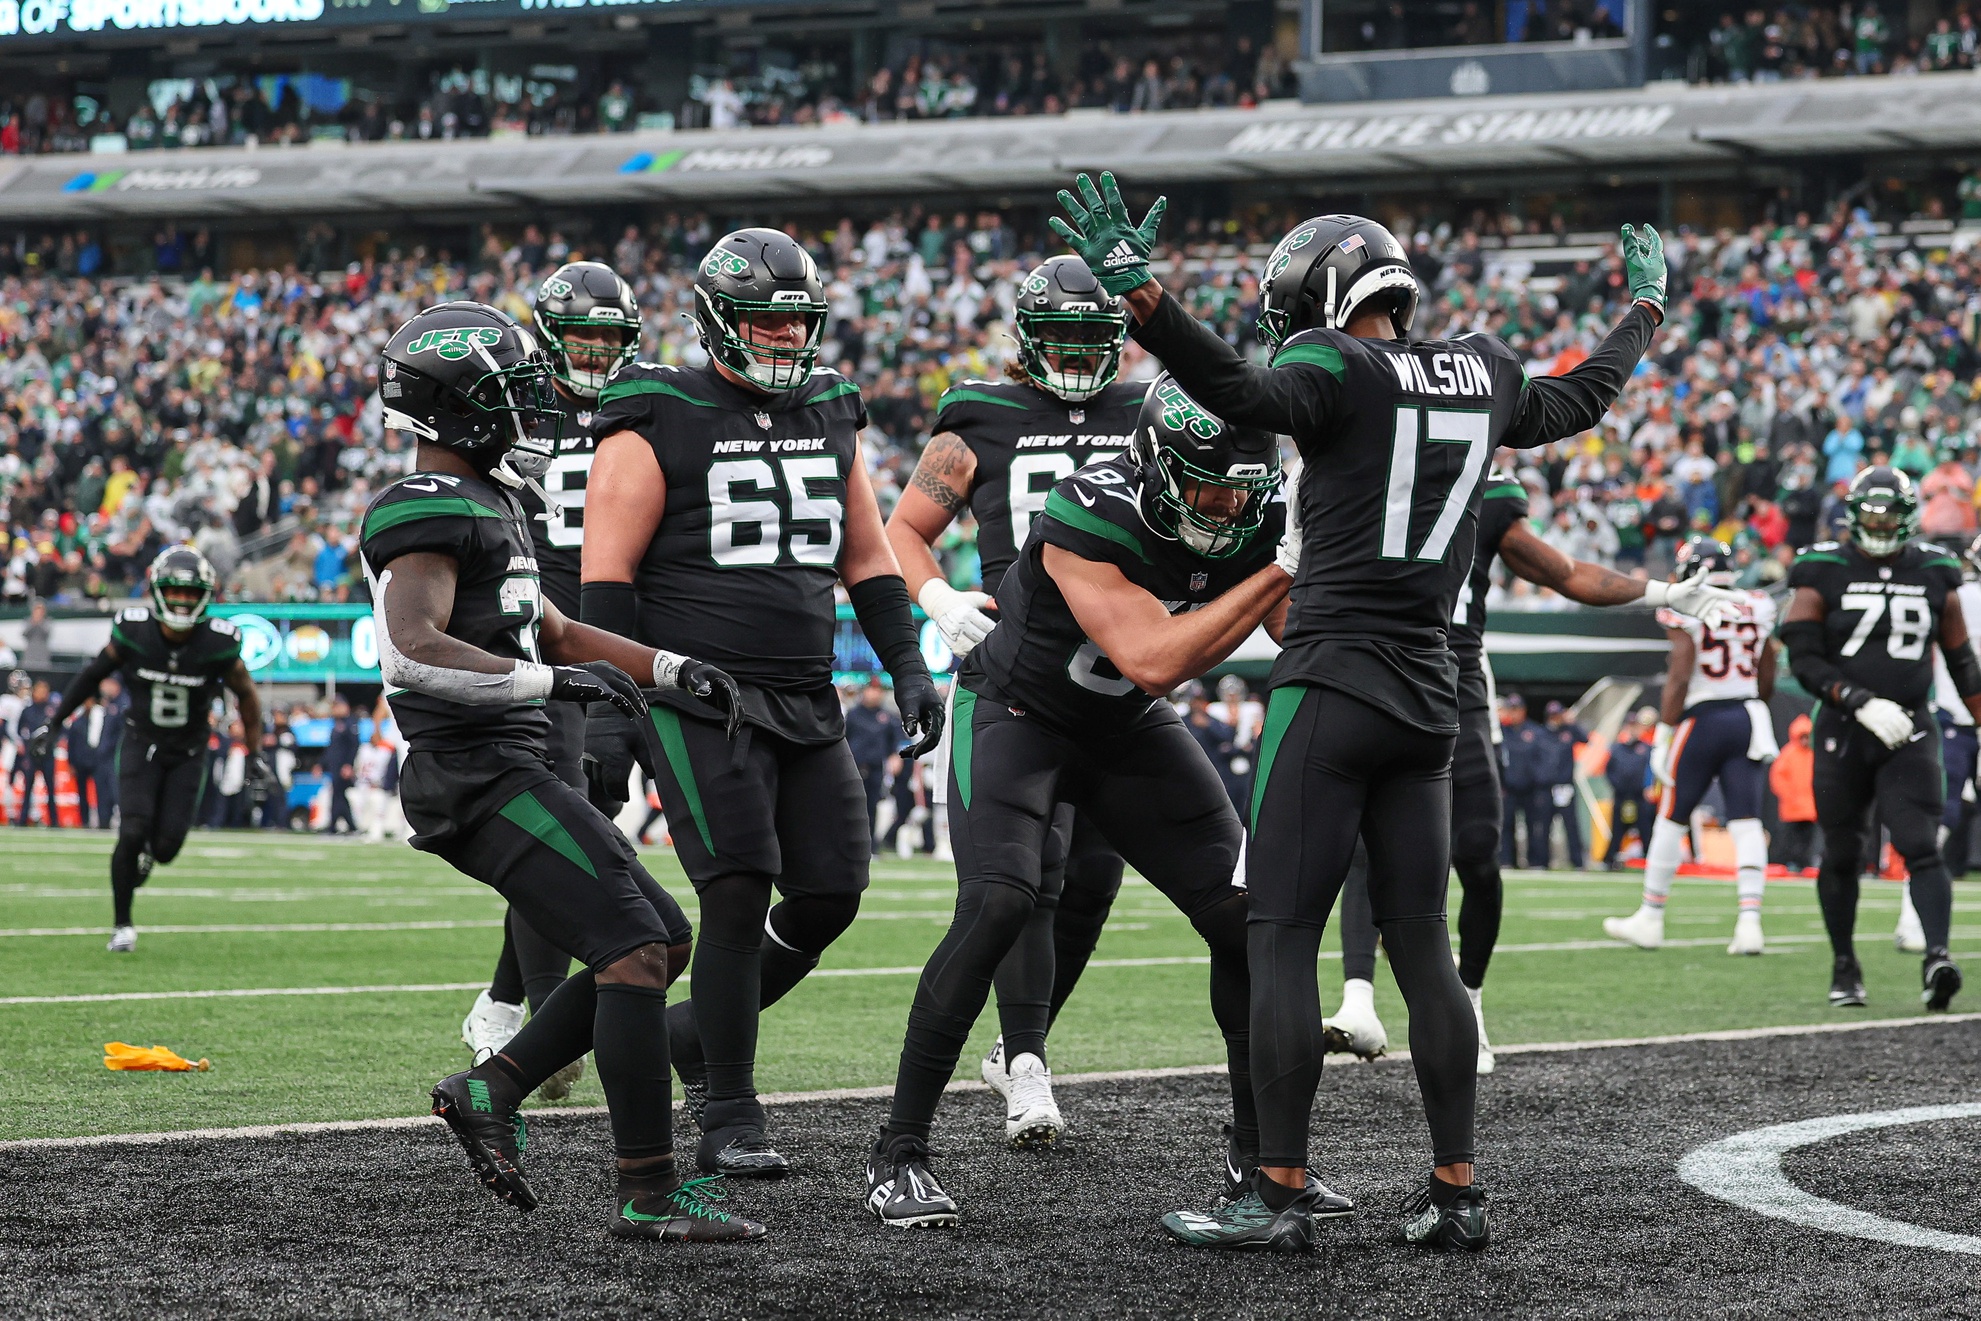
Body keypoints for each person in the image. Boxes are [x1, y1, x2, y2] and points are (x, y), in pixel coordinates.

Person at [1053, 171, 1668, 1251]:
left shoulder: (1332, 364)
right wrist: (1642, 312)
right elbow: (1580, 399)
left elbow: (1243, 395)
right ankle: (1455, 1189)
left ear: (1322, 297)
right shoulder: (1480, 367)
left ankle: (1278, 1189)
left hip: (1333, 674)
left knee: (1284, 934)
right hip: (1433, 691)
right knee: (1422, 950)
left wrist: (1143, 301)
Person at [867, 377, 1322, 1231]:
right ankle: (898, 1152)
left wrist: (1330, 564)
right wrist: (1283, 564)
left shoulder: (1257, 514)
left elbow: (1293, 626)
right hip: (1017, 713)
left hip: (1124, 726)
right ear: (1152, 465)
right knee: (999, 901)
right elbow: (1154, 655)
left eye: (1240, 493)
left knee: (1245, 914)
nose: (1224, 508)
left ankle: (1259, 1158)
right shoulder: (1088, 507)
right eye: (1205, 486)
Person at [360, 299, 760, 1241]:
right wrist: (555, 685)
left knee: (663, 936)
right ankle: (647, 1191)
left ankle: (492, 1086)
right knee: (631, 946)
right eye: (508, 399)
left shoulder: (498, 501)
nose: (528, 413)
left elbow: (561, 629)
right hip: (473, 771)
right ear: (458, 409)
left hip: (507, 760)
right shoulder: (424, 507)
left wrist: (666, 669)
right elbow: (408, 651)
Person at [582, 228, 943, 1180]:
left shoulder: (829, 405)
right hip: (694, 692)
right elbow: (606, 581)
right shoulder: (653, 408)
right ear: (714, 321)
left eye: (797, 320)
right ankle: (728, 1112)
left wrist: (908, 664)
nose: (786, 338)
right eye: (765, 320)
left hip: (804, 691)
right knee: (735, 890)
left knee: (831, 889)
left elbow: (864, 553)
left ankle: (693, 1035)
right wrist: (616, 715)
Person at [1324, 473, 1738, 1071]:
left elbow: (1563, 572)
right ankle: (1358, 1000)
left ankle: (1470, 1002)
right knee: (1368, 844)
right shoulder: (1368, 468)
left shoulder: (1483, 494)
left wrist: (1660, 595)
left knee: (1478, 849)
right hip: (1375, 669)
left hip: (1455, 679)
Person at [883, 253, 1143, 1143]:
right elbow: (905, 531)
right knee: (1028, 878)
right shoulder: (979, 416)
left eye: (1091, 338)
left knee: (1095, 880)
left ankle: (1018, 1046)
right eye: (1060, 338)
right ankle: (1028, 1064)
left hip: (1117, 671)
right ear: (1026, 339)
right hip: (1016, 670)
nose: (1075, 356)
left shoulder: (1148, 412)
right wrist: (938, 597)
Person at [459, 260, 643, 1104]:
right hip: (540, 637)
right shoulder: (515, 408)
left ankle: (500, 1002)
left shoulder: (649, 407)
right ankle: (532, 1013)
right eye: (583, 336)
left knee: (587, 820)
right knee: (566, 816)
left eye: (612, 337)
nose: (598, 353)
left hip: (614, 632)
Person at [1778, 467, 1973, 1012]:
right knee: (1842, 852)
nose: (1881, 523)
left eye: (1890, 514)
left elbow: (1961, 661)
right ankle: (1845, 964)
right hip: (1844, 725)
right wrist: (1858, 700)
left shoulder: (1935, 569)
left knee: (1919, 843)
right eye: (1871, 513)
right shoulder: (1823, 566)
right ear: (1853, 514)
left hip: (1910, 725)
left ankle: (1937, 956)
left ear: (1909, 517)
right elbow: (1805, 658)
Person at [29, 545, 274, 952]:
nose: (180, 600)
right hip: (141, 742)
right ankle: (121, 924)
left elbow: (247, 697)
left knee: (166, 847)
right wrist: (54, 723)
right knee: (132, 830)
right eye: (174, 591)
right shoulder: (134, 631)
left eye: (190, 593)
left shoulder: (218, 643)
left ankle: (145, 857)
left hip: (189, 751)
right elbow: (92, 675)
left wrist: (254, 754)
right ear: (157, 591)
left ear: (205, 596)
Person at [1604, 537, 1780, 954]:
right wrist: (1753, 701)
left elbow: (1680, 674)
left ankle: (1650, 916)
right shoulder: (1757, 604)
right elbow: (1768, 665)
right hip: (1748, 715)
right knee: (1746, 819)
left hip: (1703, 718)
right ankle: (1750, 922)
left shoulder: (1687, 605)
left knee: (1672, 815)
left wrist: (1665, 732)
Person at [845, 679, 904, 847]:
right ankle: (850, 843)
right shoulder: (853, 714)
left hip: (876, 768)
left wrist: (895, 756)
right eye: (871, 689)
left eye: (877, 690)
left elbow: (898, 742)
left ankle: (871, 845)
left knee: (873, 806)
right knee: (852, 806)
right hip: (854, 767)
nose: (874, 693)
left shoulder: (888, 717)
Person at [1602, 708, 1659, 870]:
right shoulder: (1617, 748)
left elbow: (1651, 770)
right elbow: (1609, 770)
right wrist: (1617, 785)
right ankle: (1609, 859)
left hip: (1640, 796)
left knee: (1645, 829)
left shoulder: (1646, 749)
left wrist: (1648, 787)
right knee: (1618, 830)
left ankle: (1651, 859)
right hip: (1622, 796)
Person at [67, 678, 125, 829]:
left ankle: (118, 821)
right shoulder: (101, 710)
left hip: (111, 757)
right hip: (97, 758)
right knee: (101, 794)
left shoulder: (120, 704)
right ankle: (102, 822)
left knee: (114, 792)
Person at [1499, 695, 1549, 867]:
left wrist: (1538, 781)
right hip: (1509, 788)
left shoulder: (1535, 731)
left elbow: (1543, 760)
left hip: (1531, 789)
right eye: (1511, 710)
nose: (1514, 714)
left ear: (1523, 710)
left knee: (1534, 826)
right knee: (1506, 826)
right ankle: (1507, 860)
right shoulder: (1502, 732)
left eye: (1516, 710)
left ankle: (1535, 861)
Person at [1769, 714, 1817, 872]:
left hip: (1809, 808)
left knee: (1807, 840)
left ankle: (1803, 863)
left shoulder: (1813, 754)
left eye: (1807, 736)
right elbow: (1778, 778)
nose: (1804, 740)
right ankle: (1787, 863)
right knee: (1789, 839)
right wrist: (1790, 797)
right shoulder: (1788, 754)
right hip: (1792, 808)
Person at [14, 680, 56, 825]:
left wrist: (49, 743)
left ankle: (54, 821)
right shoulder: (28, 710)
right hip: (31, 755)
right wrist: (28, 745)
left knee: (51, 788)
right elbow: (20, 730)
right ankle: (23, 819)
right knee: (28, 789)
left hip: (47, 754)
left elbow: (58, 730)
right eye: (39, 689)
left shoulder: (51, 710)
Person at [323, 696, 360, 833]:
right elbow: (331, 748)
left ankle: (335, 826)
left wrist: (349, 764)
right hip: (335, 766)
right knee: (338, 796)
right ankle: (348, 826)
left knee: (338, 796)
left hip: (342, 767)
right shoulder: (336, 724)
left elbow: (354, 746)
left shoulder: (350, 723)